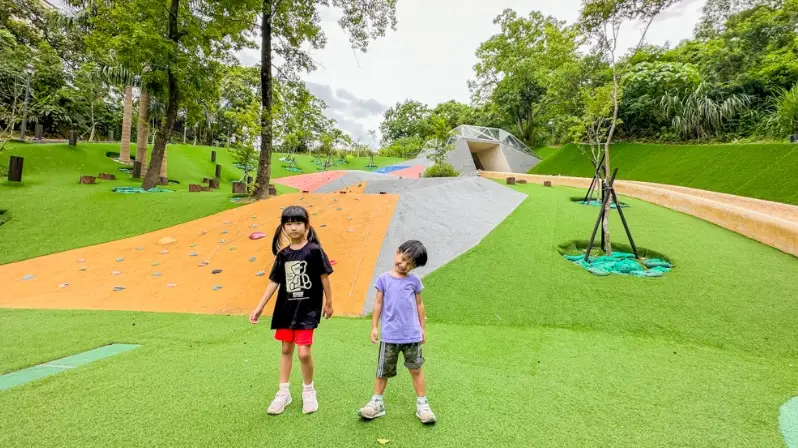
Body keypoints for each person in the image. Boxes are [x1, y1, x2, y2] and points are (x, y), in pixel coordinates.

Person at [249, 205, 334, 415]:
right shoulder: (283, 254)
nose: (293, 227)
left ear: (306, 225)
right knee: (286, 350)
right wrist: (260, 307)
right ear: (283, 227)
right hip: (286, 310)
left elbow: (324, 278)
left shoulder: (314, 251)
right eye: (288, 224)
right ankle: (283, 392)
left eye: (297, 223)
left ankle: (308, 390)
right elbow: (273, 282)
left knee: (304, 353)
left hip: (307, 311)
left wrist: (329, 302)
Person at [358, 240, 436, 424]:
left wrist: (422, 328)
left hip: (412, 335)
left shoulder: (414, 281)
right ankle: (376, 403)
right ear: (398, 252)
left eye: (411, 264)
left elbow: (419, 304)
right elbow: (377, 303)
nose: (404, 265)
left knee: (416, 369)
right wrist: (374, 326)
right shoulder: (383, 279)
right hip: (390, 336)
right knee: (382, 371)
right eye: (403, 259)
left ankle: (422, 405)